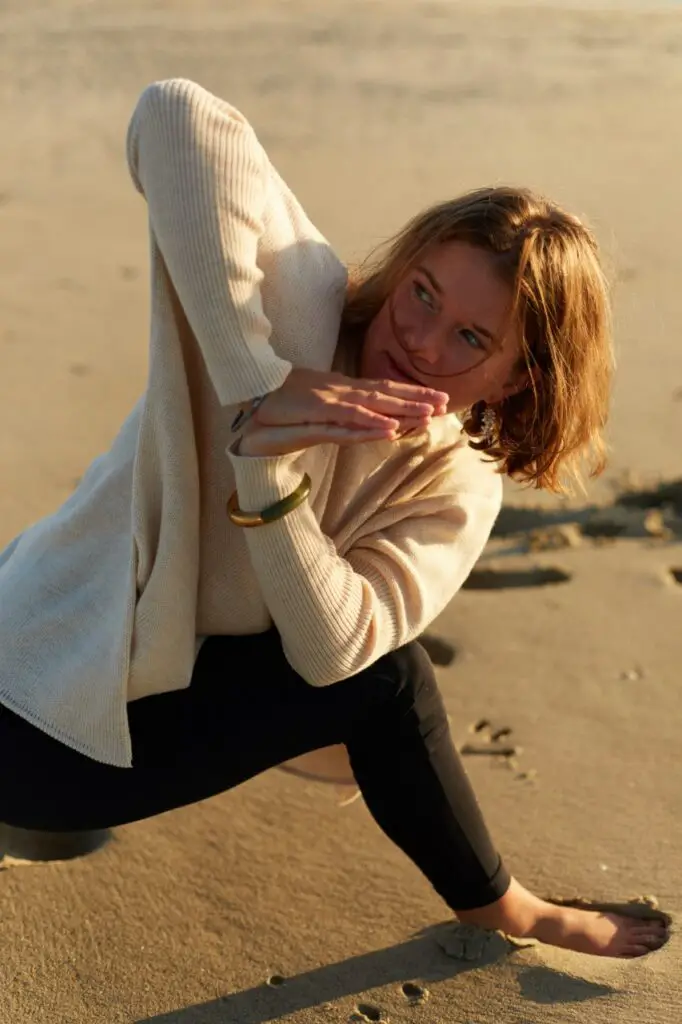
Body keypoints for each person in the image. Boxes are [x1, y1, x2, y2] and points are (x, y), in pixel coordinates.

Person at [0, 79, 666, 959]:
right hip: (42, 734)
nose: (422, 339)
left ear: (519, 379)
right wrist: (256, 384)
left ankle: (487, 888)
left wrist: (266, 470)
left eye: (471, 337)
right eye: (422, 291)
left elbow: (332, 649)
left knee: (374, 663)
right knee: (394, 682)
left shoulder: (455, 488)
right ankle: (507, 908)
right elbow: (173, 112)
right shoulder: (297, 305)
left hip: (99, 665)